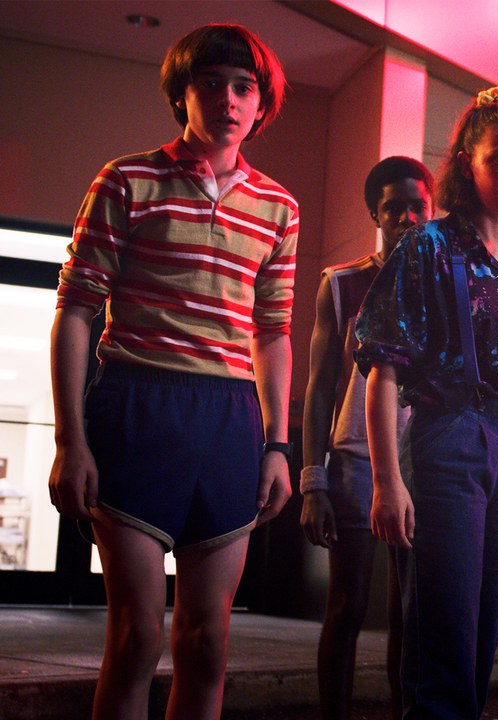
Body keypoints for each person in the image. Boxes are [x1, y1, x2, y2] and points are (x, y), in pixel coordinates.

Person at [47, 24, 295, 720]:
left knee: (208, 642)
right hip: (136, 405)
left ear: (261, 103)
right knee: (136, 637)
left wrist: (278, 444)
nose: (228, 99)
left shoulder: (279, 207)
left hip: (230, 420)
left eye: (243, 86)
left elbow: (272, 332)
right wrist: (71, 440)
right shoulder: (126, 179)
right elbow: (75, 312)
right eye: (210, 83)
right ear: (182, 94)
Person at [354, 84, 498, 720]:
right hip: (447, 438)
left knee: (481, 644)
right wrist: (386, 481)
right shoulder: (427, 247)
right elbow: (383, 370)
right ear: (468, 164)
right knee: (442, 641)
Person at [299, 156, 434, 719]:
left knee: (410, 612)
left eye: (417, 207)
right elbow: (318, 387)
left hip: (422, 459)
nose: (406, 218)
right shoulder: (342, 283)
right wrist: (313, 481)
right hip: (355, 460)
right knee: (348, 604)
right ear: (374, 214)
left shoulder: (444, 284)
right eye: (393, 208)